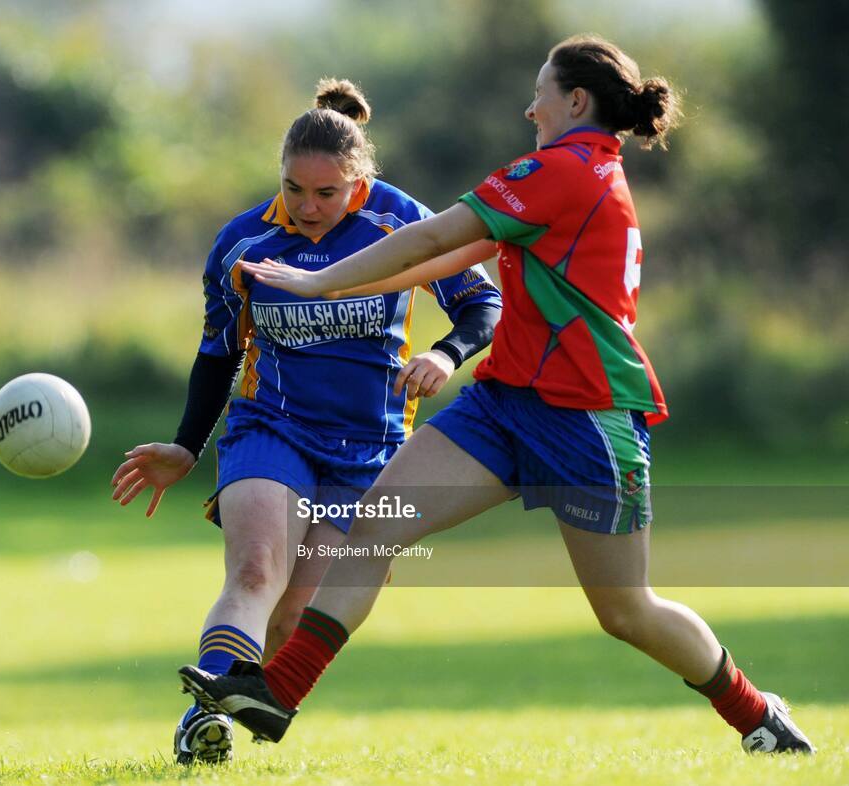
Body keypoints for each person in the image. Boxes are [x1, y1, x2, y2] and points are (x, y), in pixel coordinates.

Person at [177, 37, 816, 756]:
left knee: (626, 610)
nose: (529, 105)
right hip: (503, 402)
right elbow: (449, 256)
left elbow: (435, 235)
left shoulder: (566, 170)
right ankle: (274, 693)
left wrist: (323, 281)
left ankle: (756, 712)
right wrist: (324, 282)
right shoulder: (563, 174)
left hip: (587, 416)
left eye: (541, 90)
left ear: (576, 101)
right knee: (374, 528)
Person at [110, 78, 502, 764]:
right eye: (295, 188)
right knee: (257, 572)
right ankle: (210, 724)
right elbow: (216, 354)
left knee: (296, 614)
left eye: (327, 194)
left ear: (361, 183)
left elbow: (482, 304)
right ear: (280, 176)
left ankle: (227, 709)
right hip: (272, 428)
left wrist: (445, 353)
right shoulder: (244, 242)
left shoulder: (400, 221)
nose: (309, 207)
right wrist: (184, 445)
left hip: (372, 450)